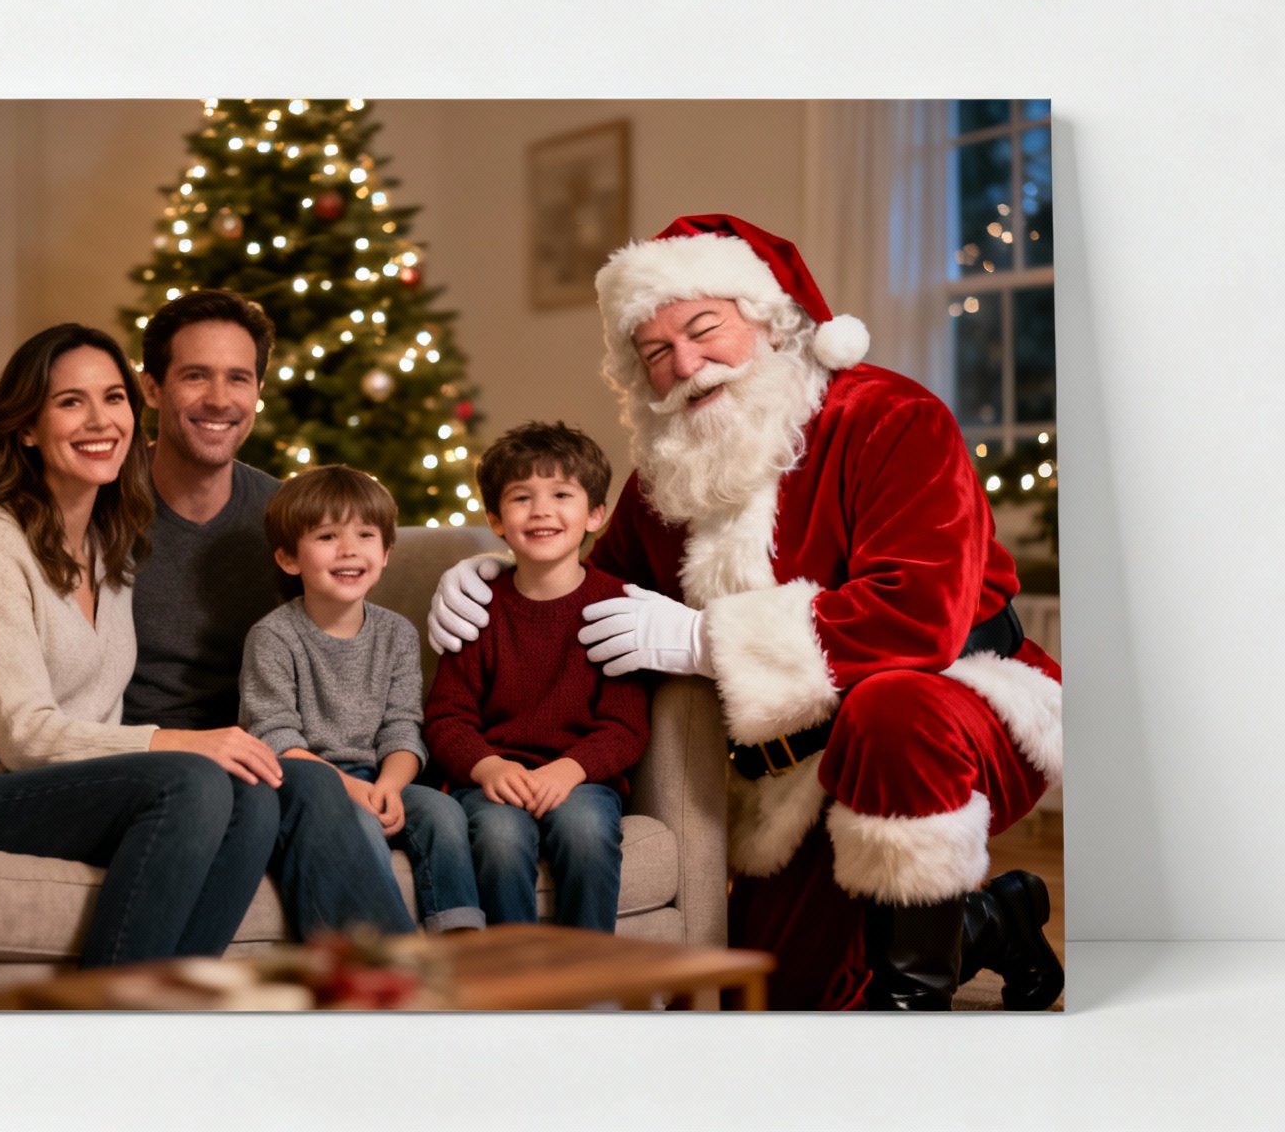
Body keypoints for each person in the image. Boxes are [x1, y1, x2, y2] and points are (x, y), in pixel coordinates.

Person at [429, 215, 1065, 1010]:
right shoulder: (663, 476)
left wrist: (706, 640)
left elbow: (918, 618)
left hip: (960, 705)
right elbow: (599, 602)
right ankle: (990, 921)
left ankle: (914, 1018)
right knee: (772, 998)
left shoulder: (891, 415)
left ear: (773, 321)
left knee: (894, 707)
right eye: (655, 353)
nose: (684, 365)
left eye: (703, 330)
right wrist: (502, 577)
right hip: (795, 770)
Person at [0, 291, 411, 942]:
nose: (218, 398)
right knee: (204, 783)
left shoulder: (123, 531)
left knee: (272, 790)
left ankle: (346, 985)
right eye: (195, 375)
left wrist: (479, 579)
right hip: (56, 773)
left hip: (167, 765)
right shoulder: (48, 516)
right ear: (154, 390)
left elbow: (347, 616)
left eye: (238, 377)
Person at [0, 322, 280, 967]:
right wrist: (178, 743)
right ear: (26, 427)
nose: (100, 420)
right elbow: (24, 736)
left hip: (72, 786)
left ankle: (173, 1001)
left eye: (113, 398)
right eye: (70, 401)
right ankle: (103, 1012)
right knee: (191, 780)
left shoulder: (111, 544)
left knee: (255, 797)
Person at [424, 423, 651, 934]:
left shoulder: (617, 606)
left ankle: (588, 973)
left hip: (581, 779)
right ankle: (517, 973)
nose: (541, 510)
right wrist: (487, 767)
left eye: (561, 495)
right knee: (500, 838)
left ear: (595, 514)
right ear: (496, 520)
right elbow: (446, 717)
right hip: (492, 779)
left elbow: (625, 726)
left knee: (586, 829)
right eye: (521, 497)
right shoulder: (476, 607)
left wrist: (569, 771)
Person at [238, 465, 483, 934]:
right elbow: (275, 738)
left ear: (386, 552)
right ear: (289, 558)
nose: (349, 549)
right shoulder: (273, 637)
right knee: (361, 825)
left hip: (379, 778)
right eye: (327, 536)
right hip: (309, 787)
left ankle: (460, 938)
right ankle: (379, 947)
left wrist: (389, 785)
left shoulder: (397, 634)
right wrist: (354, 791)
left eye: (366, 535)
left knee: (444, 813)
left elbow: (403, 727)